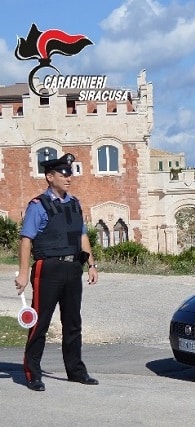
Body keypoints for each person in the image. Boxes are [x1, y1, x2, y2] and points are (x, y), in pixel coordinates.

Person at [14, 153, 100, 391]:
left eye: (70, 174)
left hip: (74, 268)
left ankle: (76, 371)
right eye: (63, 174)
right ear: (50, 177)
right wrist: (23, 273)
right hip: (48, 268)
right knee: (40, 322)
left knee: (73, 323)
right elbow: (26, 240)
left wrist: (91, 265)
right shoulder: (38, 206)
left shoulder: (74, 203)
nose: (68, 178)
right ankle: (32, 373)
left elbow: (82, 236)